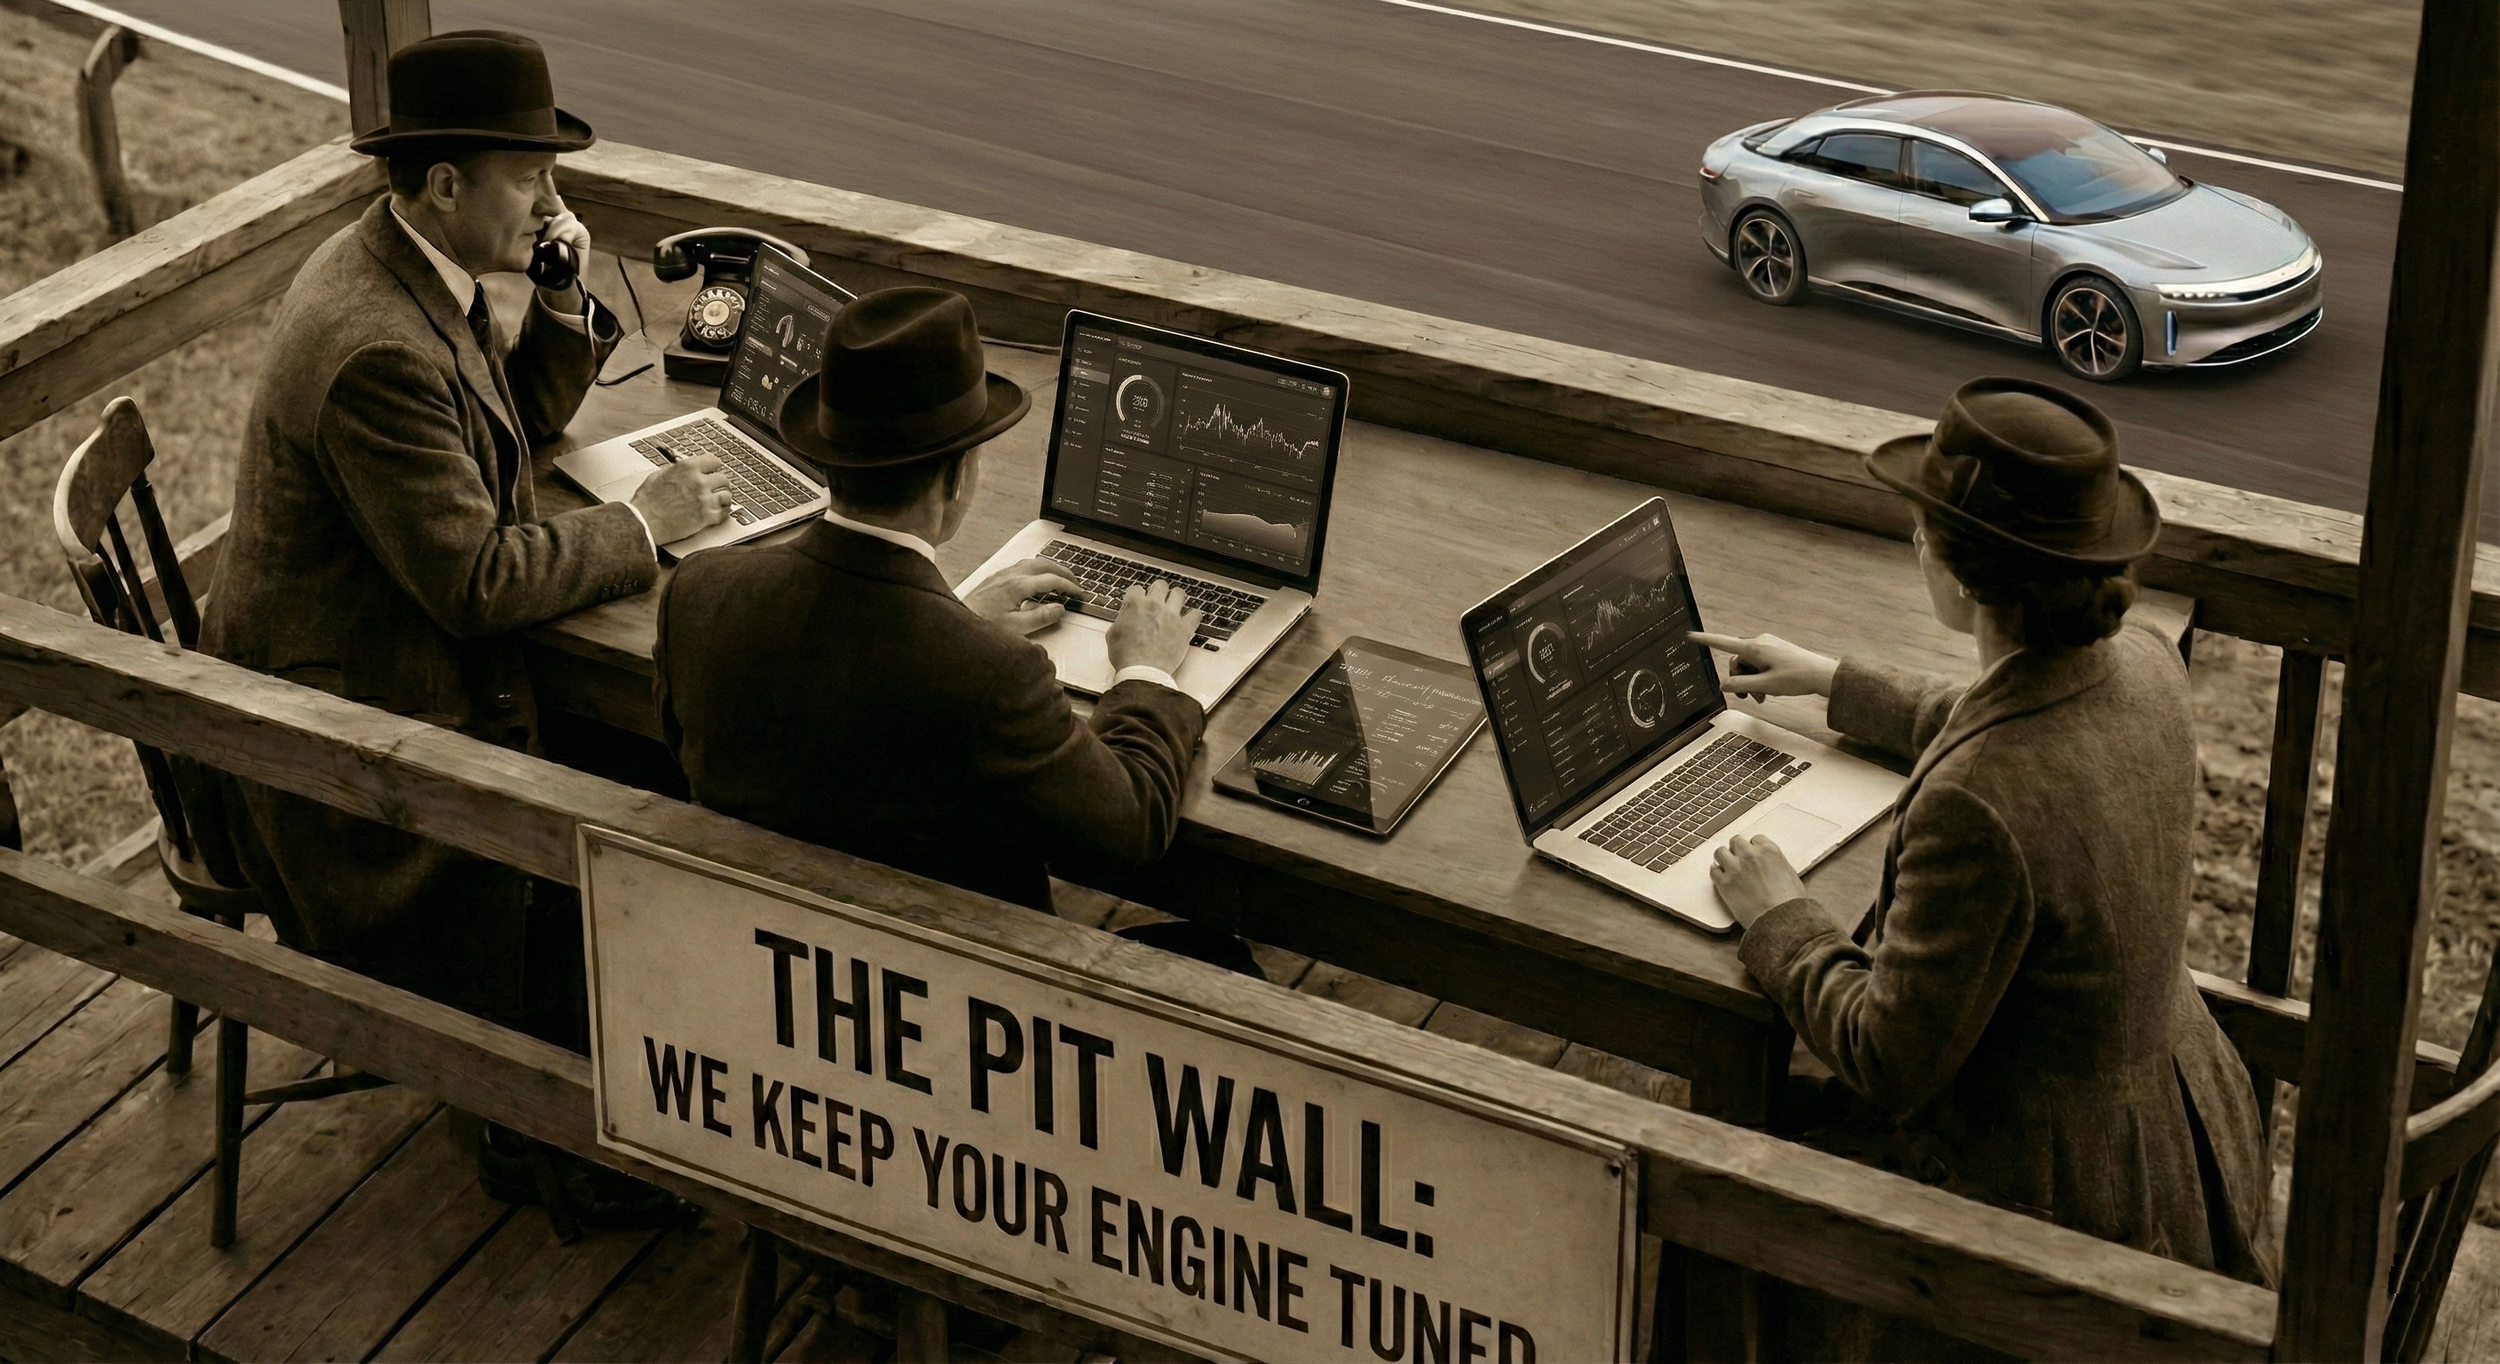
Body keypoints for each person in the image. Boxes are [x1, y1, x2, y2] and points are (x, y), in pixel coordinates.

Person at [201, 31, 727, 1222]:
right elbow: (476, 581)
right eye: (529, 175)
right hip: (353, 760)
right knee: (670, 783)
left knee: (675, 764)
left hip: (385, 677)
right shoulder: (375, 344)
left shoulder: (407, 270)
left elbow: (500, 438)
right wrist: (644, 528)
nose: (552, 197)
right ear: (447, 185)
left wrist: (554, 301)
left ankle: (607, 1060)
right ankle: (540, 1123)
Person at [1695, 377, 2272, 1288]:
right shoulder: (2147, 663)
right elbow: (2029, 725)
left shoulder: (1977, 802)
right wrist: (1837, 681)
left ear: (1958, 570)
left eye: (1925, 525)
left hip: (2047, 1204)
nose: (1916, 538)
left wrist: (1785, 919)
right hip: (2177, 1129)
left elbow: (1886, 1060)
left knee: (1707, 1182)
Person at [653, 286, 1239, 958]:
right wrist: (1147, 672)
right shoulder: (990, 674)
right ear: (957, 479)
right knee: (1226, 955)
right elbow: (1129, 829)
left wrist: (952, 619)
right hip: (956, 1006)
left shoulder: (699, 591)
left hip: (765, 963)